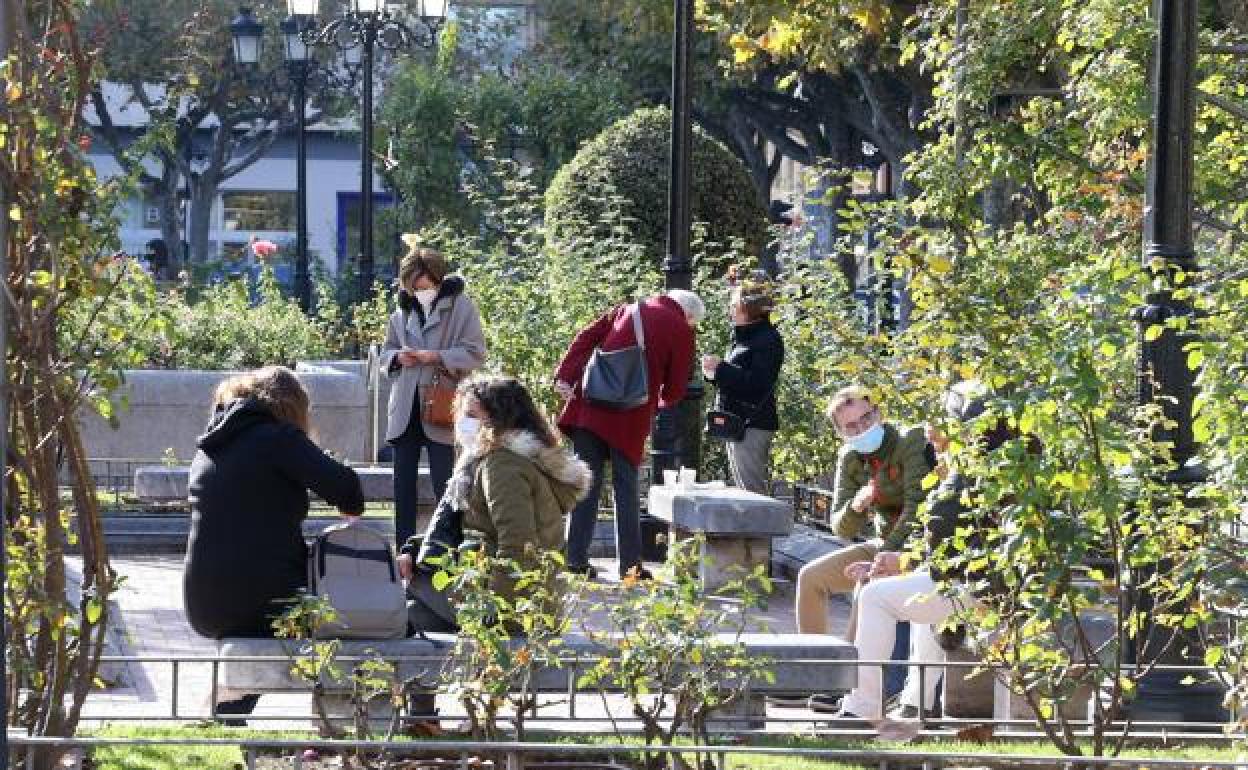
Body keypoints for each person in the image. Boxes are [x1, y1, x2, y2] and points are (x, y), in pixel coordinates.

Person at [182, 366, 364, 719]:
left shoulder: (210, 445)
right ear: (293, 406)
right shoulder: (278, 439)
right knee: (357, 620)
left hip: (203, 600)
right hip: (262, 599)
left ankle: (224, 709)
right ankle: (344, 722)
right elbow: (347, 490)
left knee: (273, 606)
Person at [835, 382, 1008, 723]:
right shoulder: (1004, 462)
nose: (933, 430)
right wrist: (900, 560)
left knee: (876, 597)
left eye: (944, 420)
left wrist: (897, 561)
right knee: (919, 593)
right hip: (996, 581)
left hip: (985, 589)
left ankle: (862, 708)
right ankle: (918, 703)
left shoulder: (959, 481)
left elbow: (944, 556)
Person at [397, 376, 592, 630]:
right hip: (507, 592)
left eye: (471, 415)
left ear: (498, 420)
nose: (461, 422)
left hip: (510, 605)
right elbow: (479, 528)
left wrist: (493, 613)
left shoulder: (502, 465)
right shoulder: (490, 459)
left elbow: (518, 545)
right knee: (395, 610)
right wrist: (416, 550)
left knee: (391, 616)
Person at [794, 386, 933, 710]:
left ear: (878, 413)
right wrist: (857, 507)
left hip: (917, 548)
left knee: (866, 585)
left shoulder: (908, 441)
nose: (862, 428)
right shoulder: (850, 457)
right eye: (851, 427)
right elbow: (841, 527)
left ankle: (845, 682)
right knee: (810, 578)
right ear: (841, 433)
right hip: (882, 545)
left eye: (867, 418)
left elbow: (917, 508)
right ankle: (817, 674)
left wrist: (887, 558)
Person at [554, 289, 702, 579]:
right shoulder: (680, 328)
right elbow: (676, 386)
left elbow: (585, 338)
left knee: (586, 485)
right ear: (688, 315)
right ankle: (630, 567)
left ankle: (575, 560)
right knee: (626, 490)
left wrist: (566, 376)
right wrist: (661, 401)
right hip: (629, 416)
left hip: (590, 406)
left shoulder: (628, 309)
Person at [381, 242, 486, 549]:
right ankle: (404, 554)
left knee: (448, 486)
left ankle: (446, 551)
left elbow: (475, 353)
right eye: (413, 286)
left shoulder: (462, 307)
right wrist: (399, 358)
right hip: (405, 410)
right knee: (402, 488)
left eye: (424, 285)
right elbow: (384, 354)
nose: (418, 291)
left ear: (438, 280)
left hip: (442, 406)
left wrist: (435, 356)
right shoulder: (402, 309)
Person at [701, 283, 784, 494]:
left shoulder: (767, 339)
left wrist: (720, 369)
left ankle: (759, 528)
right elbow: (737, 378)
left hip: (752, 423)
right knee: (744, 488)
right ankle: (751, 527)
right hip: (737, 421)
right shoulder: (743, 335)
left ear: (748, 309)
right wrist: (714, 373)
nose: (730, 311)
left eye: (734, 305)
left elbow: (758, 383)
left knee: (751, 490)